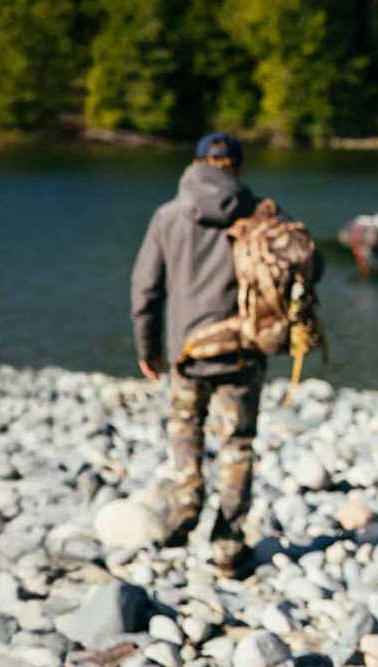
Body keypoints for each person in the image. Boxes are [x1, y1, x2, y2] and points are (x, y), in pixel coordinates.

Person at [131, 132, 268, 578]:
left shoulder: (168, 216)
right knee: (237, 443)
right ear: (239, 168)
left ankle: (187, 500)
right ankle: (227, 543)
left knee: (185, 426)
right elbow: (309, 265)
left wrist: (148, 349)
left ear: (196, 164)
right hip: (242, 349)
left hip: (186, 350)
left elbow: (146, 290)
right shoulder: (258, 212)